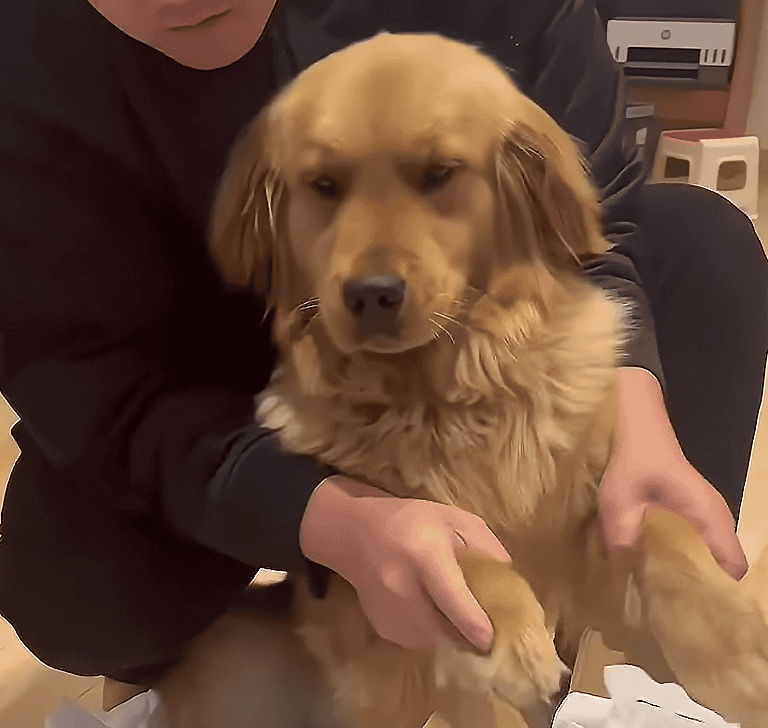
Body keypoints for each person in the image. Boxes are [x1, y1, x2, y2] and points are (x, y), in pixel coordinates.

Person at [0, 0, 765, 691]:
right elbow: (99, 392)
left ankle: (630, 622)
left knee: (704, 249)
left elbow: (599, 221)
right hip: (209, 377)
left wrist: (637, 404)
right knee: (74, 582)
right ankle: (336, 618)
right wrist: (330, 519)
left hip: (465, 338)